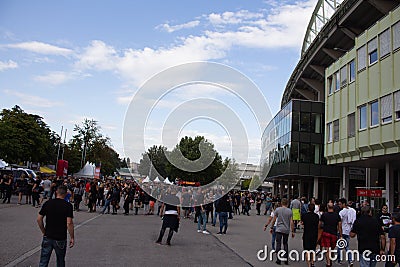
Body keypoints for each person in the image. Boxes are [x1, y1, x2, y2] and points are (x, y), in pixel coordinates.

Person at [37, 185, 74, 267]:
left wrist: (43, 231)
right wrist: (72, 237)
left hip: (48, 235)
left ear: (56, 192)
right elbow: (69, 223)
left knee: (43, 260)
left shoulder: (48, 203)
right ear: (66, 193)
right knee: (60, 260)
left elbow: (39, 219)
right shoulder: (68, 206)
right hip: (60, 237)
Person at [270, 198, 295, 265]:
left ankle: (278, 259)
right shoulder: (290, 211)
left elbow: (274, 220)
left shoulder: (277, 210)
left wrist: (272, 227)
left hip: (279, 229)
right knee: (285, 244)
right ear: (287, 204)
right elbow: (291, 222)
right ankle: (286, 259)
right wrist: (293, 231)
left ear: (281, 203)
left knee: (278, 244)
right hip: (286, 230)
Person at [319, 202, 342, 267]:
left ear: (327, 207)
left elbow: (320, 224)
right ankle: (330, 260)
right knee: (332, 248)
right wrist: (340, 235)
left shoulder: (324, 215)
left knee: (327, 249)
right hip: (334, 234)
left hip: (326, 233)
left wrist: (318, 230)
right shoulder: (337, 215)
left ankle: (328, 262)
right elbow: (339, 226)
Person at [338, 198, 356, 266]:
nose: (339, 205)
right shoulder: (352, 210)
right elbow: (354, 221)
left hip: (342, 230)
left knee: (340, 246)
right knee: (347, 246)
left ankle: (339, 260)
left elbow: (339, 222)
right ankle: (350, 260)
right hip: (348, 230)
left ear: (344, 204)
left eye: (340, 204)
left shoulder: (341, 212)